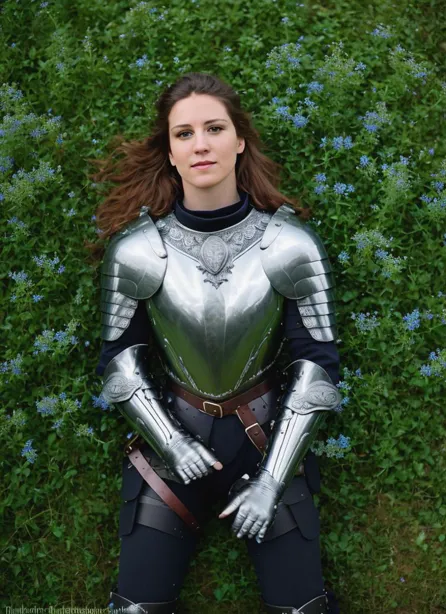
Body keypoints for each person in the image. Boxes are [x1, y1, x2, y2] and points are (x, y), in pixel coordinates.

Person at [91, 72, 342, 614]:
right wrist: (172, 443)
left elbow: (317, 368)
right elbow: (119, 364)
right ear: (171, 153)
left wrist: (273, 482)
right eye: (184, 134)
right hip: (171, 448)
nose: (200, 143)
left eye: (213, 128)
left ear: (239, 139)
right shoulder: (136, 251)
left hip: (266, 439)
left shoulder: (290, 245)